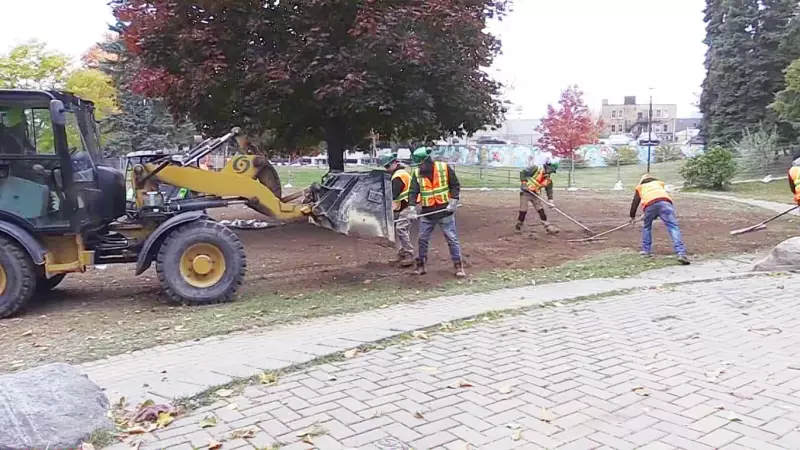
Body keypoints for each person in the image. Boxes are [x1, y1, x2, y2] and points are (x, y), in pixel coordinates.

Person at [407, 147, 465, 277]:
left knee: (452, 238)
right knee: (422, 239)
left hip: (445, 212)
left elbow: (455, 185)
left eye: (420, 164)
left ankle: (458, 266)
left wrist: (453, 201)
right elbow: (413, 191)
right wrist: (411, 208)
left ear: (426, 161)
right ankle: (421, 265)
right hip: (427, 213)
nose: (419, 167)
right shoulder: (417, 173)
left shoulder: (444, 168)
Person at [630, 174, 689, 265]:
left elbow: (635, 202)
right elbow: (658, 199)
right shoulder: (658, 184)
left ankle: (646, 251)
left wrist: (632, 217)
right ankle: (681, 253)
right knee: (673, 227)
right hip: (665, 203)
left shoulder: (640, 187)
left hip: (650, 205)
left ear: (642, 181)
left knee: (647, 227)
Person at [379, 153, 415, 267]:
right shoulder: (400, 173)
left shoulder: (398, 176)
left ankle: (409, 254)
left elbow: (393, 195)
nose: (387, 169)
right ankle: (402, 253)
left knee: (401, 228)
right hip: (407, 204)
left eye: (388, 166)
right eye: (386, 166)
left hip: (410, 205)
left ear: (395, 163)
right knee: (402, 229)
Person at [516, 159, 560, 234]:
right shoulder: (535, 168)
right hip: (525, 193)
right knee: (523, 210)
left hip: (535, 194)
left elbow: (549, 190)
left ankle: (547, 226)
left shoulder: (548, 179)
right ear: (548, 166)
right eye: (552, 170)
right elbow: (523, 172)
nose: (551, 172)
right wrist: (523, 183)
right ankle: (519, 224)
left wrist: (551, 201)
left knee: (540, 210)